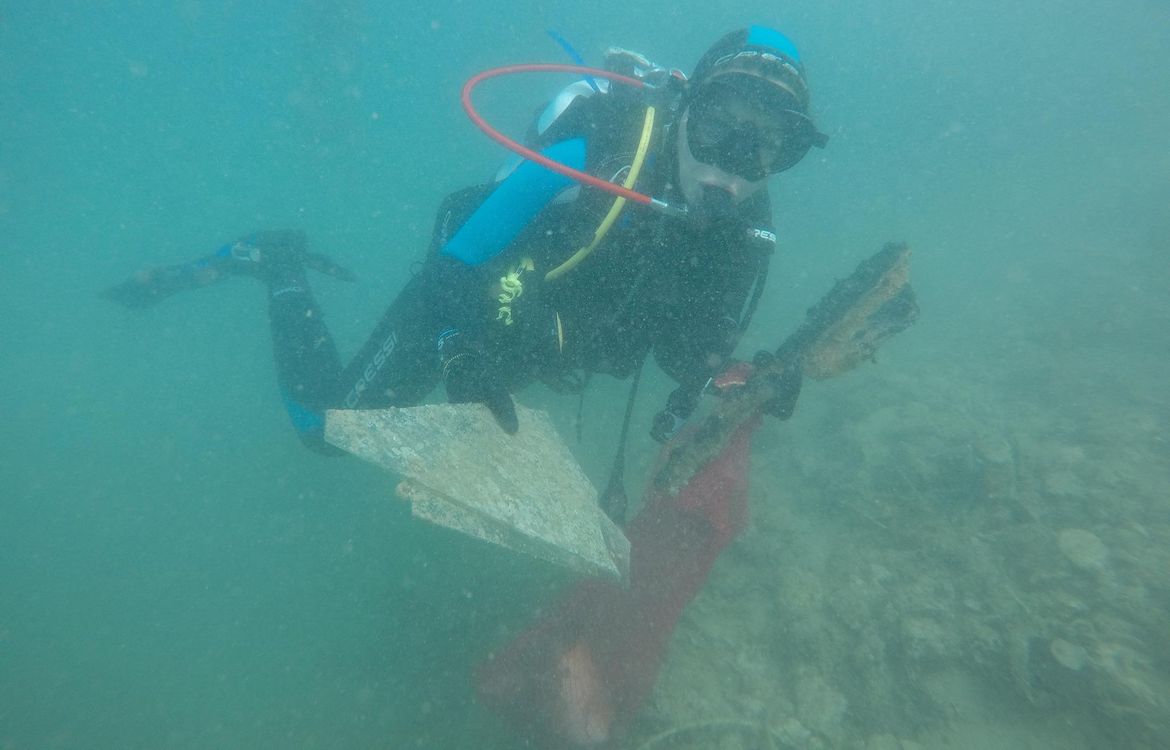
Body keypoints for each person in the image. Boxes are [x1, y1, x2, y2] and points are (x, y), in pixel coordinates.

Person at [104, 25, 827, 454]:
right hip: (458, 306)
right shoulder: (599, 147)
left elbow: (683, 349)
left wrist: (738, 375)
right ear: (684, 111)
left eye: (762, 151)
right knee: (322, 429)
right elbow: (457, 240)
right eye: (717, 131)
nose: (727, 170)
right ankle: (278, 264)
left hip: (526, 346)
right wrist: (456, 347)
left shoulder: (743, 235)